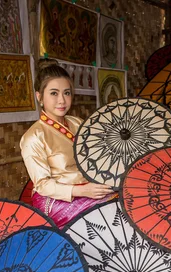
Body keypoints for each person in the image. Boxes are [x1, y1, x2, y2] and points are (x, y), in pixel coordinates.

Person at [20, 59, 114, 228]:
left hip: (88, 188)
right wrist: (81, 191)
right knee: (106, 212)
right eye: (54, 93)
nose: (62, 100)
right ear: (39, 96)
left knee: (124, 200)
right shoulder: (34, 136)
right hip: (55, 198)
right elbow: (42, 185)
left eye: (67, 93)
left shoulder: (77, 123)